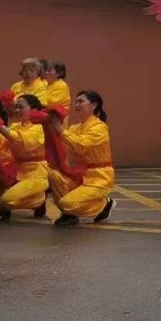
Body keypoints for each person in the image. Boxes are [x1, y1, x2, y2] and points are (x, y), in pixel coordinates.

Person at [49, 90, 116, 227]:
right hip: (80, 174)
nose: (77, 104)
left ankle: (104, 205)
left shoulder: (99, 127)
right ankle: (69, 214)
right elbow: (62, 143)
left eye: (81, 101)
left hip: (99, 177)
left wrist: (59, 129)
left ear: (93, 105)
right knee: (54, 175)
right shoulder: (75, 128)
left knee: (66, 203)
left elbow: (81, 144)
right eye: (76, 102)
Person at [0, 94, 51, 218]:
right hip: (16, 169)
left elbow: (20, 140)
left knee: (7, 200)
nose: (17, 110)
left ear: (34, 109)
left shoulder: (40, 127)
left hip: (36, 172)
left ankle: (39, 200)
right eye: (16, 107)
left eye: (21, 107)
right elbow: (0, 142)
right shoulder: (15, 126)